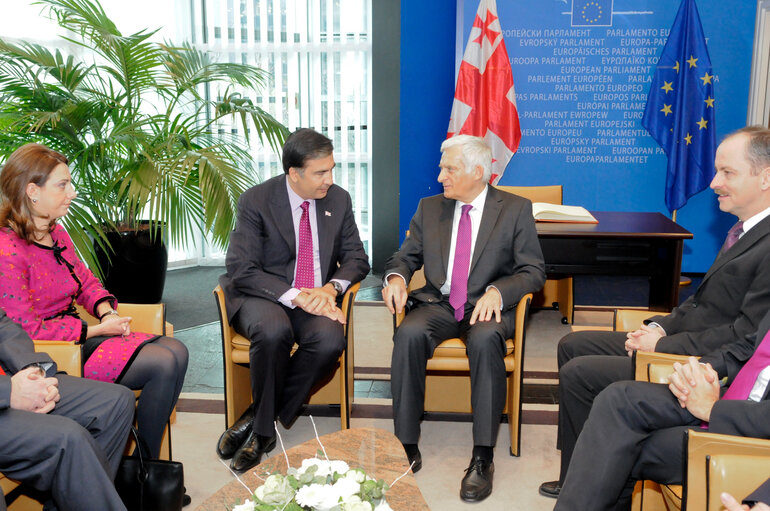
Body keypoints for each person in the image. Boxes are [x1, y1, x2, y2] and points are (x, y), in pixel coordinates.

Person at [540, 126, 770, 499]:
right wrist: (658, 327)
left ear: (765, 177)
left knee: (581, 374)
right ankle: (578, 472)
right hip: (684, 342)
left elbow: (741, 335)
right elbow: (700, 304)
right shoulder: (744, 230)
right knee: (572, 345)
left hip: (704, 362)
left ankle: (593, 475)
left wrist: (663, 346)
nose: (713, 182)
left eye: (727, 172)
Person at [0, 143, 189, 462]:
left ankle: (144, 467)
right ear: (32, 191)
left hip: (82, 334)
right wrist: (95, 331)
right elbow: (26, 330)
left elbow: (85, 280)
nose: (71, 193)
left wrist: (107, 311)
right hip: (55, 351)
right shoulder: (8, 250)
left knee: (177, 351)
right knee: (163, 362)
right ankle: (143, 470)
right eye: (63, 185)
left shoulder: (56, 232)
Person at [382, 135, 545, 502]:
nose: (441, 176)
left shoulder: (515, 209)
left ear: (477, 172)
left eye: (449, 168)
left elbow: (533, 271)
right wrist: (396, 278)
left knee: (487, 340)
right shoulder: (430, 208)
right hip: (438, 304)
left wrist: (499, 291)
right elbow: (405, 257)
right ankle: (406, 444)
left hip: (486, 308)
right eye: (442, 168)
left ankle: (482, 457)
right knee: (408, 334)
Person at [216, 128, 370, 473]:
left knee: (330, 340)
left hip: (316, 295)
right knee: (273, 332)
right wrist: (296, 296)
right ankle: (262, 432)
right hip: (266, 293)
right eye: (320, 172)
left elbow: (358, 258)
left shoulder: (338, 200)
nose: (329, 179)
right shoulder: (256, 200)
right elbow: (241, 268)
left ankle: (261, 414)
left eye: (331, 169)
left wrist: (330, 289)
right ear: (294, 173)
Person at [555, 305, 770, 510]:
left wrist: (712, 409)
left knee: (622, 447)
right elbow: (750, 346)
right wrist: (700, 370)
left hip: (753, 427)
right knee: (619, 399)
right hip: (737, 399)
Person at [0, 308, 135, 511]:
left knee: (117, 401)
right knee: (68, 438)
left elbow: (3, 326)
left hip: (10, 375)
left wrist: (32, 370)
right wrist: (11, 391)